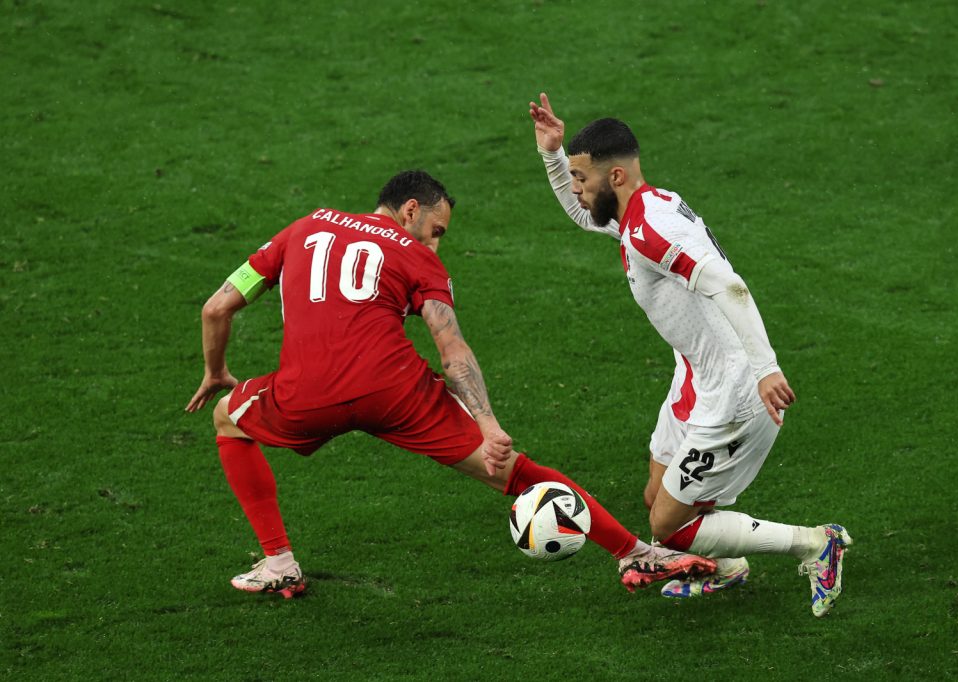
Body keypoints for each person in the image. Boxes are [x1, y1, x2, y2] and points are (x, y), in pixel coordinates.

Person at [185, 169, 716, 598]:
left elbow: (216, 308)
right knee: (515, 472)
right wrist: (488, 424)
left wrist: (216, 372)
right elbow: (451, 347)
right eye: (437, 231)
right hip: (396, 394)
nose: (436, 245)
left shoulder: (303, 228)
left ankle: (278, 562)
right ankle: (635, 554)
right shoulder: (415, 256)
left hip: (306, 395)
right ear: (410, 210)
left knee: (228, 418)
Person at [529, 94, 852, 617]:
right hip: (697, 376)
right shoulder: (641, 209)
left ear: (615, 177)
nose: (577, 189)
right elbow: (581, 212)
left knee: (668, 526)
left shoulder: (651, 231)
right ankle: (726, 566)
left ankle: (816, 543)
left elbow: (729, 285)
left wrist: (766, 370)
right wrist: (553, 152)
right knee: (656, 495)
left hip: (736, 390)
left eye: (582, 178)